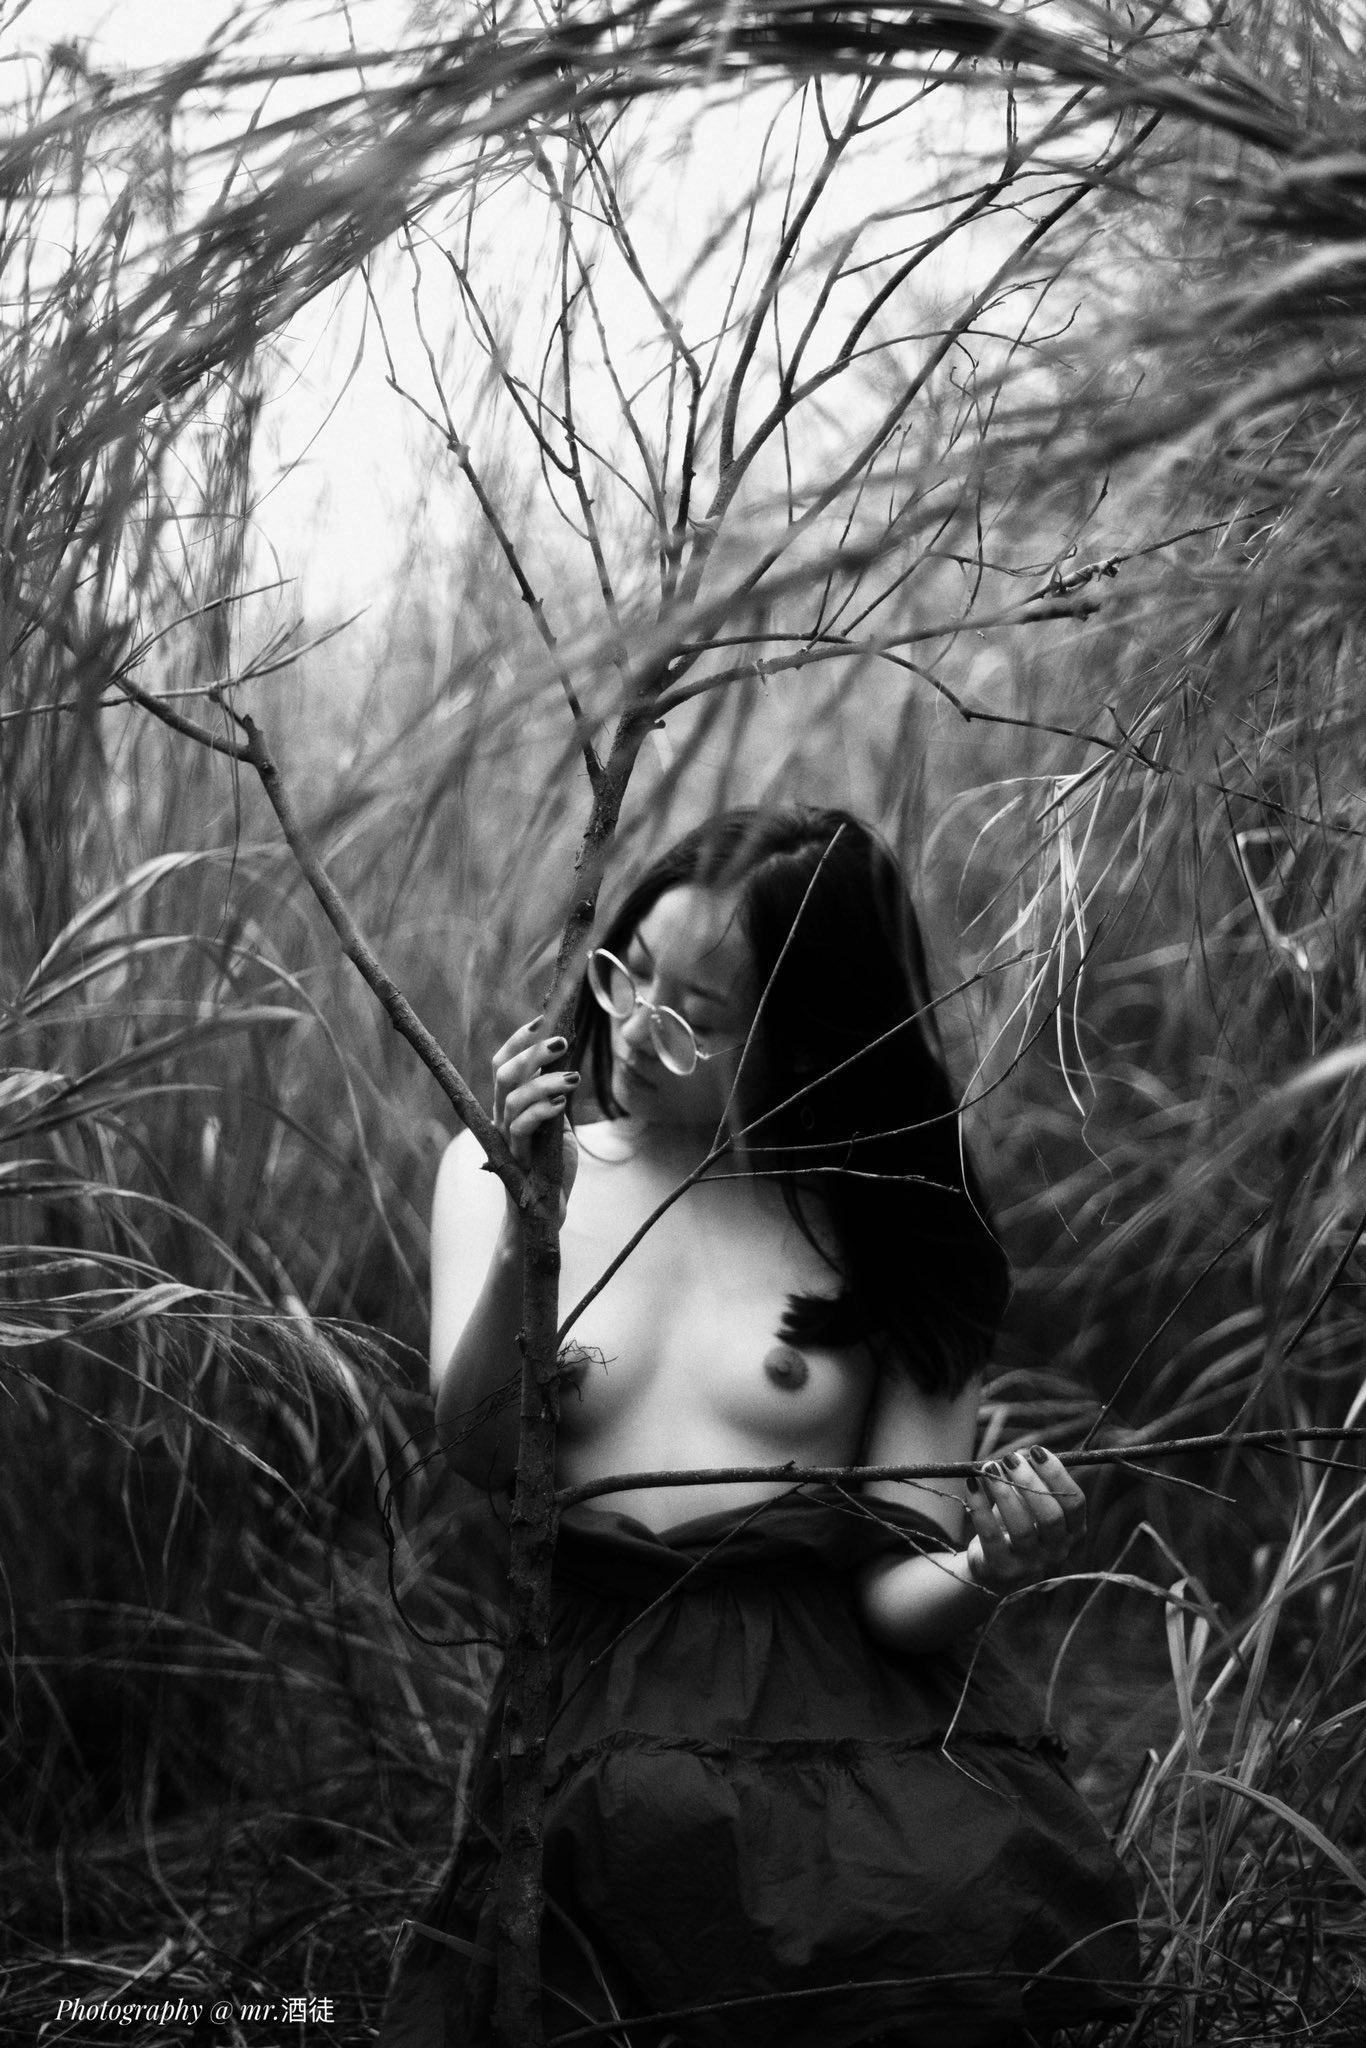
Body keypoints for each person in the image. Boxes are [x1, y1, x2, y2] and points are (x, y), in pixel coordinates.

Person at [382, 807, 1139, 2048]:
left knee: (928, 1919)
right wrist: (533, 1227)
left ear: (810, 1037)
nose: (637, 1028)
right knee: (646, 1844)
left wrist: (992, 1563)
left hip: (842, 1689)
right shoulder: (498, 1164)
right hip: (602, 1665)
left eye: (700, 1015)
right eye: (628, 972)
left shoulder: (894, 1219)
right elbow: (477, 1451)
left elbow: (896, 1591)